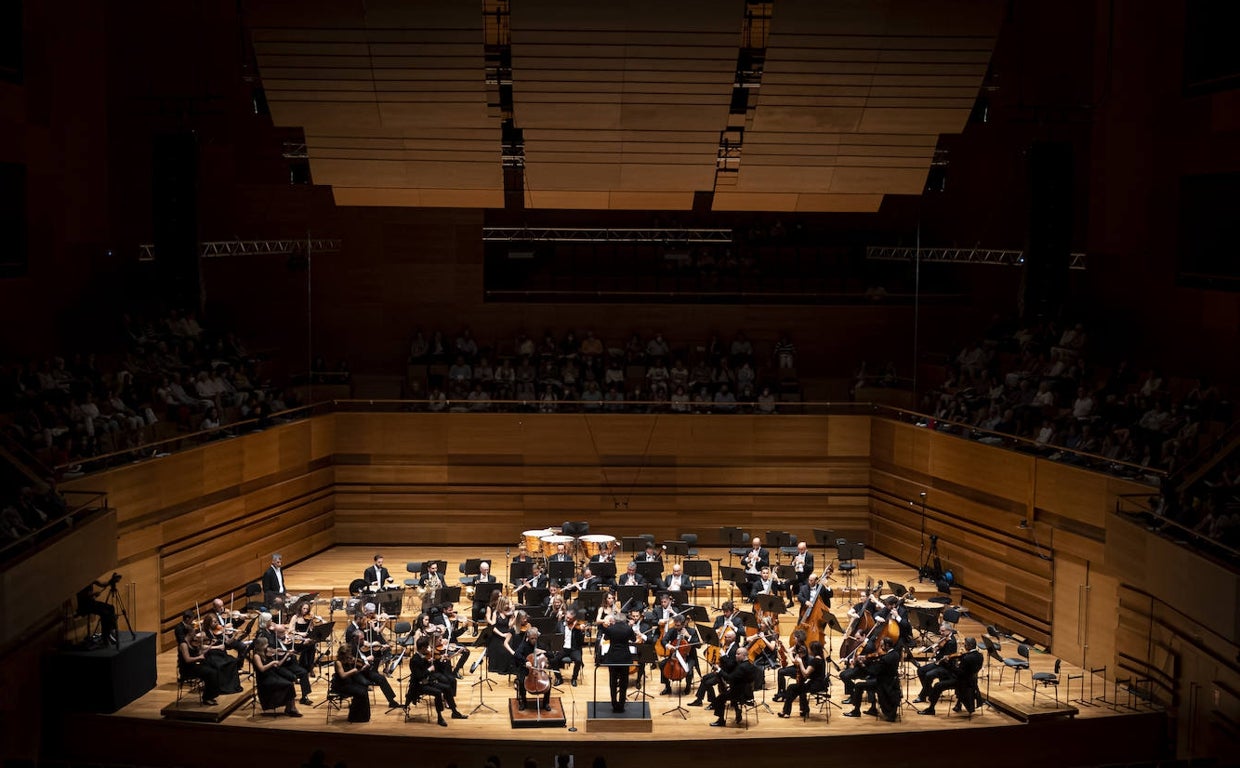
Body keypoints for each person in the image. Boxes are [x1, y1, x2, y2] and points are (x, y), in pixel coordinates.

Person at [343, 612, 401, 709]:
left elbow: (371, 655)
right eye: (361, 639)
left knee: (381, 678)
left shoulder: (363, 647)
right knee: (365, 684)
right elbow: (353, 662)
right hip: (356, 672)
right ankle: (361, 704)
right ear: (355, 639)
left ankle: (392, 701)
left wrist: (378, 651)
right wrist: (365, 659)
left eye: (363, 639)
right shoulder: (352, 648)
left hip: (365, 670)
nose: (363, 641)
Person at [920, 636, 984, 716]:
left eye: (965, 644)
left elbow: (959, 673)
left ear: (969, 646)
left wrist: (949, 665)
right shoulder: (980, 656)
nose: (964, 646)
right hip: (972, 681)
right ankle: (958, 705)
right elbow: (968, 664)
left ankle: (931, 708)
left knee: (938, 685)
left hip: (962, 682)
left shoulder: (966, 658)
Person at [844, 637, 902, 721]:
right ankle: (873, 708)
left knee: (858, 685)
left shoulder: (885, 659)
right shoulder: (895, 654)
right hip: (891, 681)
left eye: (882, 645)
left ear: (887, 645)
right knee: (869, 683)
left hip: (883, 683)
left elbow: (874, 672)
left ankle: (856, 711)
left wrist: (863, 665)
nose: (881, 647)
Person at [599, 611, 645, 712]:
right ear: (624, 620)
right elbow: (633, 640)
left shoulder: (610, 629)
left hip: (613, 658)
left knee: (613, 681)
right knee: (624, 682)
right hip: (625, 657)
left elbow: (606, 638)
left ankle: (614, 703)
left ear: (615, 620)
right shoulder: (628, 629)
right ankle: (621, 704)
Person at [250, 636, 302, 716]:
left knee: (290, 683)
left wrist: (286, 655)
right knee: (288, 685)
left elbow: (278, 664)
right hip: (264, 679)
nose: (268, 645)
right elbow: (262, 669)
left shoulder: (266, 652)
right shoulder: (256, 656)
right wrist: (271, 663)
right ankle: (291, 708)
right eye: (266, 644)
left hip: (272, 675)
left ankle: (290, 707)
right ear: (262, 645)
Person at [778, 640, 827, 718]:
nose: (809, 650)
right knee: (800, 688)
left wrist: (800, 662)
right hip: (820, 684)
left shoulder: (815, 661)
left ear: (813, 650)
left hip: (815, 685)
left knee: (792, 688)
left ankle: (787, 711)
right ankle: (803, 709)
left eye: (810, 649)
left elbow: (806, 673)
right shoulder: (821, 659)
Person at [710, 646, 756, 727]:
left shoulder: (741, 667)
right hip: (748, 693)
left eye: (738, 654)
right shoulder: (750, 665)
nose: (736, 655)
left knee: (719, 699)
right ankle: (738, 712)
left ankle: (720, 721)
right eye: (736, 654)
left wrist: (719, 670)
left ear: (744, 655)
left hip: (739, 693)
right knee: (730, 694)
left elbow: (729, 678)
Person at [512, 627, 553, 712]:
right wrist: (526, 661)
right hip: (527, 670)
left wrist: (543, 651)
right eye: (532, 638)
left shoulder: (540, 644)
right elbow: (516, 654)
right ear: (528, 637)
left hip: (539, 670)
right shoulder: (524, 645)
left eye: (535, 638)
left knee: (548, 681)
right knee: (521, 680)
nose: (534, 640)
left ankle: (546, 703)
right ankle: (523, 702)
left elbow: (551, 655)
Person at [332, 641, 371, 722]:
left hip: (349, 683)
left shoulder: (349, 660)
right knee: (360, 692)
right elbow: (342, 675)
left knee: (364, 689)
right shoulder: (338, 662)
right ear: (343, 654)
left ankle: (364, 716)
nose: (350, 655)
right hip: (341, 685)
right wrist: (353, 671)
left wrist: (362, 667)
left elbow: (358, 667)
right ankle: (354, 717)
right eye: (348, 653)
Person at [76, 575, 118, 644]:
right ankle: (105, 636)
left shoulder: (90, 579)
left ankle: (110, 631)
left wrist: (110, 581)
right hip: (85, 605)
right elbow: (83, 596)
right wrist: (94, 594)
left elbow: (102, 584)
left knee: (111, 608)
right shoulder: (81, 582)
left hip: (92, 603)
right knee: (105, 613)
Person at [551, 609, 585, 687]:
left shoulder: (577, 627)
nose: (568, 619)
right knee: (553, 660)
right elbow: (555, 634)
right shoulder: (560, 624)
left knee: (578, 660)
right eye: (567, 617)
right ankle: (559, 678)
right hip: (563, 648)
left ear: (574, 619)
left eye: (570, 618)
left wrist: (582, 632)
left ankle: (574, 678)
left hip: (574, 648)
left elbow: (581, 641)